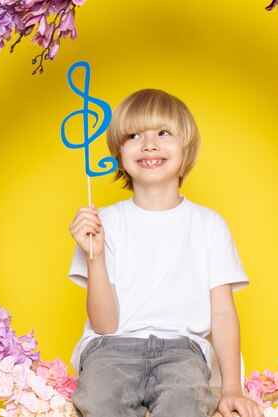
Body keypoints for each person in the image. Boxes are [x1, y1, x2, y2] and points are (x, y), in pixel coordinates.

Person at [68, 89, 263, 417]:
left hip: (182, 352)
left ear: (186, 148)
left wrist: (232, 388)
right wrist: (95, 256)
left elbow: (223, 314)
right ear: (118, 153)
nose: (149, 144)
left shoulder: (209, 225)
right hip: (109, 350)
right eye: (133, 135)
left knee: (184, 403)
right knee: (101, 402)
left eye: (163, 133)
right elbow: (104, 325)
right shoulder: (105, 224)